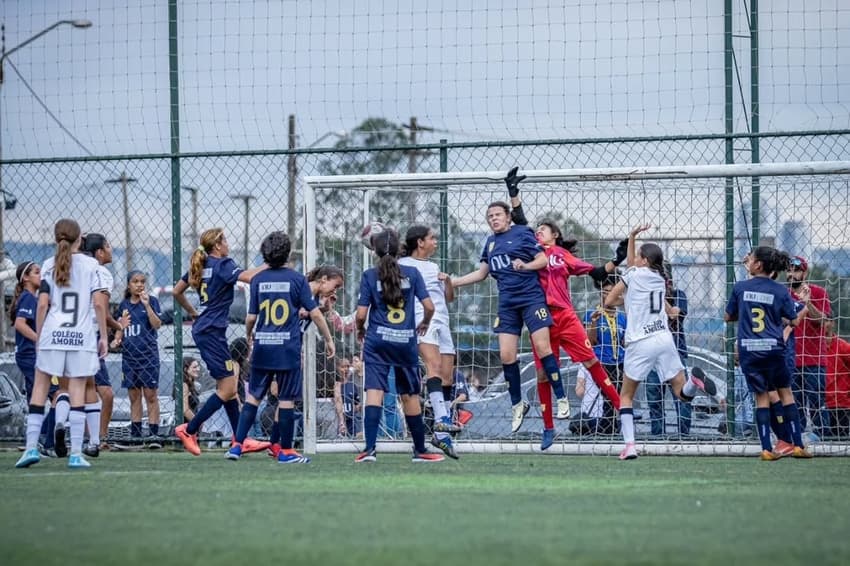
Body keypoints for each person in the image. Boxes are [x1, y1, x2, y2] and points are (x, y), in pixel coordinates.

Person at [504, 167, 625, 450]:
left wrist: (617, 260)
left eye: (543, 229)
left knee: (591, 362)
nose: (538, 233)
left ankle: (623, 409)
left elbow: (596, 272)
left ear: (555, 235)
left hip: (565, 316)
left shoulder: (562, 256)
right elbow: (520, 221)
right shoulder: (530, 250)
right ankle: (548, 429)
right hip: (538, 320)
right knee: (544, 373)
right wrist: (513, 194)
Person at [604, 224, 718, 460]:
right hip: (665, 340)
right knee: (680, 393)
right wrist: (633, 238)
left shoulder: (634, 275)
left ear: (644, 261)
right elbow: (668, 309)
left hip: (641, 341)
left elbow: (609, 301)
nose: (633, 259)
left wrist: (625, 303)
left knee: (625, 396)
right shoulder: (659, 278)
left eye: (637, 256)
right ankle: (694, 383)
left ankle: (630, 446)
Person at [451, 201, 563, 439]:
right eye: (490, 215)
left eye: (498, 214)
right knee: (506, 355)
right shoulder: (490, 242)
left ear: (508, 217)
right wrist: (454, 281)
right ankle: (517, 404)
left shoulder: (522, 232)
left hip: (531, 300)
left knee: (543, 348)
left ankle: (561, 397)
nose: (493, 219)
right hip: (507, 304)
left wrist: (525, 266)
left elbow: (542, 260)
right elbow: (482, 274)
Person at [227, 231, 335, 464]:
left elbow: (250, 317)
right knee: (286, 400)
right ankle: (285, 451)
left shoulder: (258, 280)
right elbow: (314, 313)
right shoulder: (297, 280)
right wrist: (328, 339)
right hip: (287, 348)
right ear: (288, 253)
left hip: (263, 346)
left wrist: (249, 336)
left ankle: (236, 446)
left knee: (253, 398)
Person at [16, 219, 108, 469]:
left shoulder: (47, 265)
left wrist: (42, 334)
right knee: (77, 390)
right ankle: (76, 453)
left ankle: (31, 449)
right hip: (81, 335)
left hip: (52, 334)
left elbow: (43, 304)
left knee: (40, 391)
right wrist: (103, 336)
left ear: (57, 239)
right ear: (80, 239)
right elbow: (99, 303)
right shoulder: (92, 265)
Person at [173, 228, 266, 456]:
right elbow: (247, 277)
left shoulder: (201, 265)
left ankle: (239, 440)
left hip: (207, 330)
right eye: (224, 240)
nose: (227, 243)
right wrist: (272, 265)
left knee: (230, 389)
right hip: (212, 333)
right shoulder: (223, 264)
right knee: (227, 389)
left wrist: (195, 312)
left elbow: (177, 291)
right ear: (217, 245)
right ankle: (190, 429)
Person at [354, 228, 443, 463]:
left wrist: (361, 329)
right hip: (405, 341)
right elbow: (430, 307)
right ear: (399, 249)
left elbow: (361, 314)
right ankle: (420, 450)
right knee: (409, 395)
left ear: (374, 250)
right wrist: (424, 323)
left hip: (377, 342)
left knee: (375, 392)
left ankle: (370, 450)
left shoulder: (369, 275)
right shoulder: (412, 273)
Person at [725, 246, 812, 460]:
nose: (748, 262)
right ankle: (798, 445)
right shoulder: (780, 290)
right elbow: (792, 319)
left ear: (757, 264)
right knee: (786, 393)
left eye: (751, 259)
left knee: (761, 398)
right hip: (773, 348)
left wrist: (745, 314)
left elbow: (728, 317)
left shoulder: (740, 287)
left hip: (749, 350)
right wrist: (800, 305)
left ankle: (766, 449)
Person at [399, 225, 461, 459]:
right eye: (432, 238)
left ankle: (441, 436)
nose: (435, 241)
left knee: (447, 376)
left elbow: (449, 299)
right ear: (420, 242)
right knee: (432, 367)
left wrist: (448, 282)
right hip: (422, 321)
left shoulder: (434, 266)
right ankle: (442, 420)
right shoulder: (403, 264)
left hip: (442, 321)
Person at [79, 233, 124, 456]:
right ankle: (98, 439)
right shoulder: (101, 273)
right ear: (99, 252)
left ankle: (87, 439)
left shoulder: (74, 268)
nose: (111, 250)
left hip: (69, 333)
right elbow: (102, 311)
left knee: (71, 391)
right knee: (105, 394)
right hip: (90, 335)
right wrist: (118, 327)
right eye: (108, 246)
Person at [9, 261, 58, 453]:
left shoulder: (33, 299)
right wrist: (39, 340)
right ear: (26, 278)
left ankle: (36, 440)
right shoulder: (28, 298)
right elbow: (20, 324)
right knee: (58, 395)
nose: (41, 275)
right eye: (37, 272)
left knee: (35, 399)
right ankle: (46, 441)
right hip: (31, 355)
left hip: (30, 355)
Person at [645, 262, 696, 437]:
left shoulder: (678, 295)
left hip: (676, 352)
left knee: (681, 397)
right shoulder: (648, 295)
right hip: (652, 353)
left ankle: (684, 435)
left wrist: (660, 292)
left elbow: (675, 315)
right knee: (654, 399)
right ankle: (657, 435)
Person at [113, 271, 162, 445]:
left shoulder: (152, 301)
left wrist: (147, 306)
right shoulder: (124, 305)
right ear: (129, 285)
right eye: (135, 282)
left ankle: (154, 434)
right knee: (134, 397)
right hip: (129, 357)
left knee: (151, 395)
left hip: (148, 356)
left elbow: (157, 324)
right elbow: (120, 328)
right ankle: (136, 435)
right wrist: (116, 339)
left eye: (142, 282)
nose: (139, 285)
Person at [787, 255, 832, 437]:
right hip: (790, 358)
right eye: (789, 270)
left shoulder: (818, 292)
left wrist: (807, 304)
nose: (791, 274)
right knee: (793, 402)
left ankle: (824, 436)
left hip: (814, 360)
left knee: (817, 402)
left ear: (804, 273)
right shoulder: (783, 294)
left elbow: (823, 320)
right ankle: (796, 437)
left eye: (796, 270)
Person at [583, 275, 626, 430]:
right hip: (601, 363)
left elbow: (624, 342)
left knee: (618, 397)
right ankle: (608, 429)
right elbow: (590, 342)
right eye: (606, 292)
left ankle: (611, 429)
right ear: (600, 293)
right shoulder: (592, 314)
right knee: (609, 397)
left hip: (619, 363)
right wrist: (593, 322)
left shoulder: (622, 317)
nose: (609, 295)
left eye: (612, 291)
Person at [824, 320, 850, 438]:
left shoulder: (843, 346)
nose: (823, 324)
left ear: (833, 323)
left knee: (840, 440)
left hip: (841, 404)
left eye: (826, 321)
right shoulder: (811, 348)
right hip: (819, 405)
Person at [334, 356, 362, 438]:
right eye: (342, 367)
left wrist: (356, 408)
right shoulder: (334, 385)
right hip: (337, 419)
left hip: (351, 420)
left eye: (347, 367)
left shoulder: (352, 385)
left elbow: (357, 404)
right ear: (337, 368)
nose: (345, 369)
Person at [182, 357, 201, 424]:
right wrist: (197, 423)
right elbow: (185, 410)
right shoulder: (184, 385)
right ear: (186, 369)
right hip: (186, 425)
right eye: (194, 367)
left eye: (198, 367)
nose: (198, 369)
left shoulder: (191, 384)